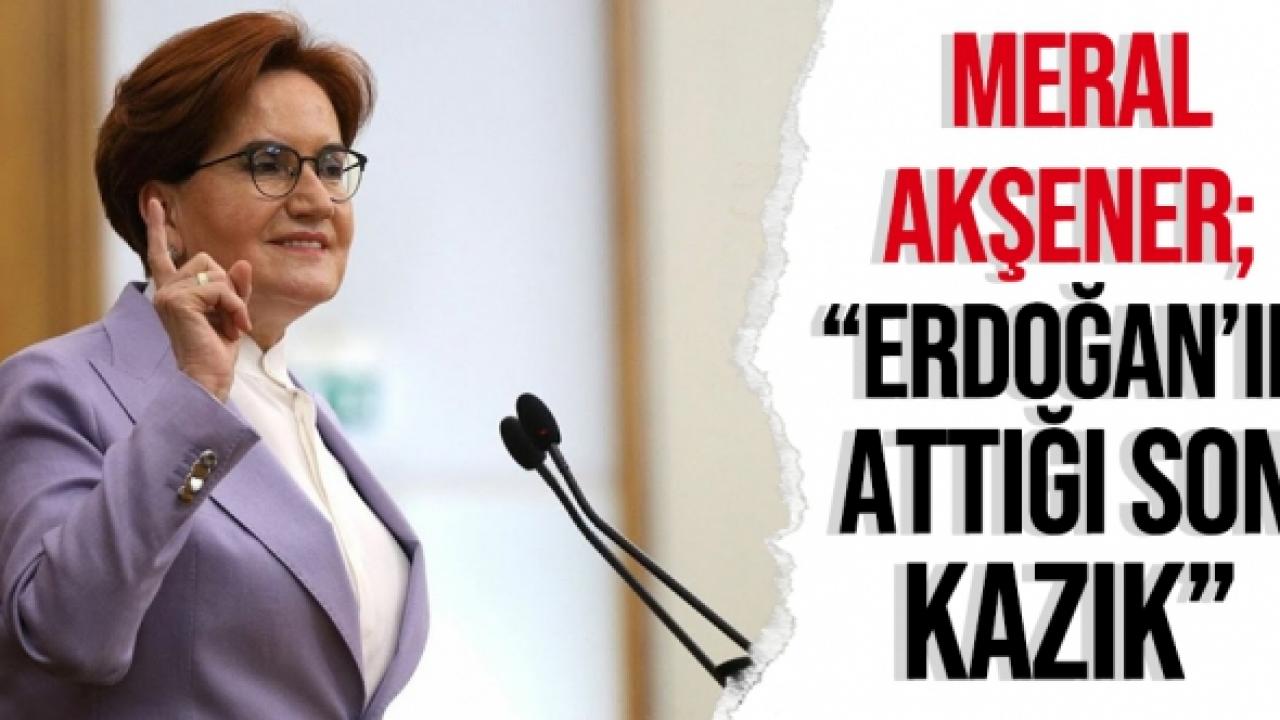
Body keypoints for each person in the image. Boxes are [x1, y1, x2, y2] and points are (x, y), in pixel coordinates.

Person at [0, 12, 426, 718]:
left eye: (329, 166)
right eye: (270, 163)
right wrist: (196, 393)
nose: (316, 200)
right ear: (163, 211)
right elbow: (65, 637)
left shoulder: (302, 410)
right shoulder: (55, 390)